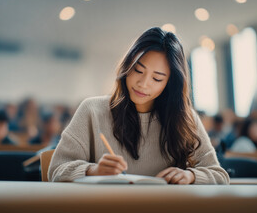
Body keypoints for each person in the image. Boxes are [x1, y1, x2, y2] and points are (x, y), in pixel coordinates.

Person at [48, 27, 229, 184]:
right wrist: (92, 171)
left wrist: (191, 176)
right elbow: (56, 170)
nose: (143, 83)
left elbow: (219, 175)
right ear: (127, 66)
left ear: (170, 83)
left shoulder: (184, 117)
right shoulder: (92, 110)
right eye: (138, 70)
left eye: (157, 78)